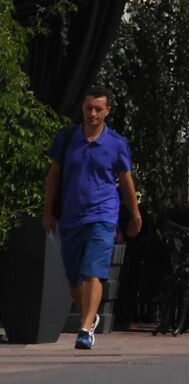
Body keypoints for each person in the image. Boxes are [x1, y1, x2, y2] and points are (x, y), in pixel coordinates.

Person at [42, 87, 141, 351]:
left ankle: (85, 329)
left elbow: (126, 182)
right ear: (83, 108)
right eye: (89, 108)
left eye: (98, 109)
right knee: (74, 277)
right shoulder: (67, 138)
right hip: (72, 218)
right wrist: (48, 210)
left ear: (107, 111)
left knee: (93, 272)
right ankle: (90, 314)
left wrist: (135, 213)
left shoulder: (116, 144)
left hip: (103, 215)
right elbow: (53, 177)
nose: (92, 113)